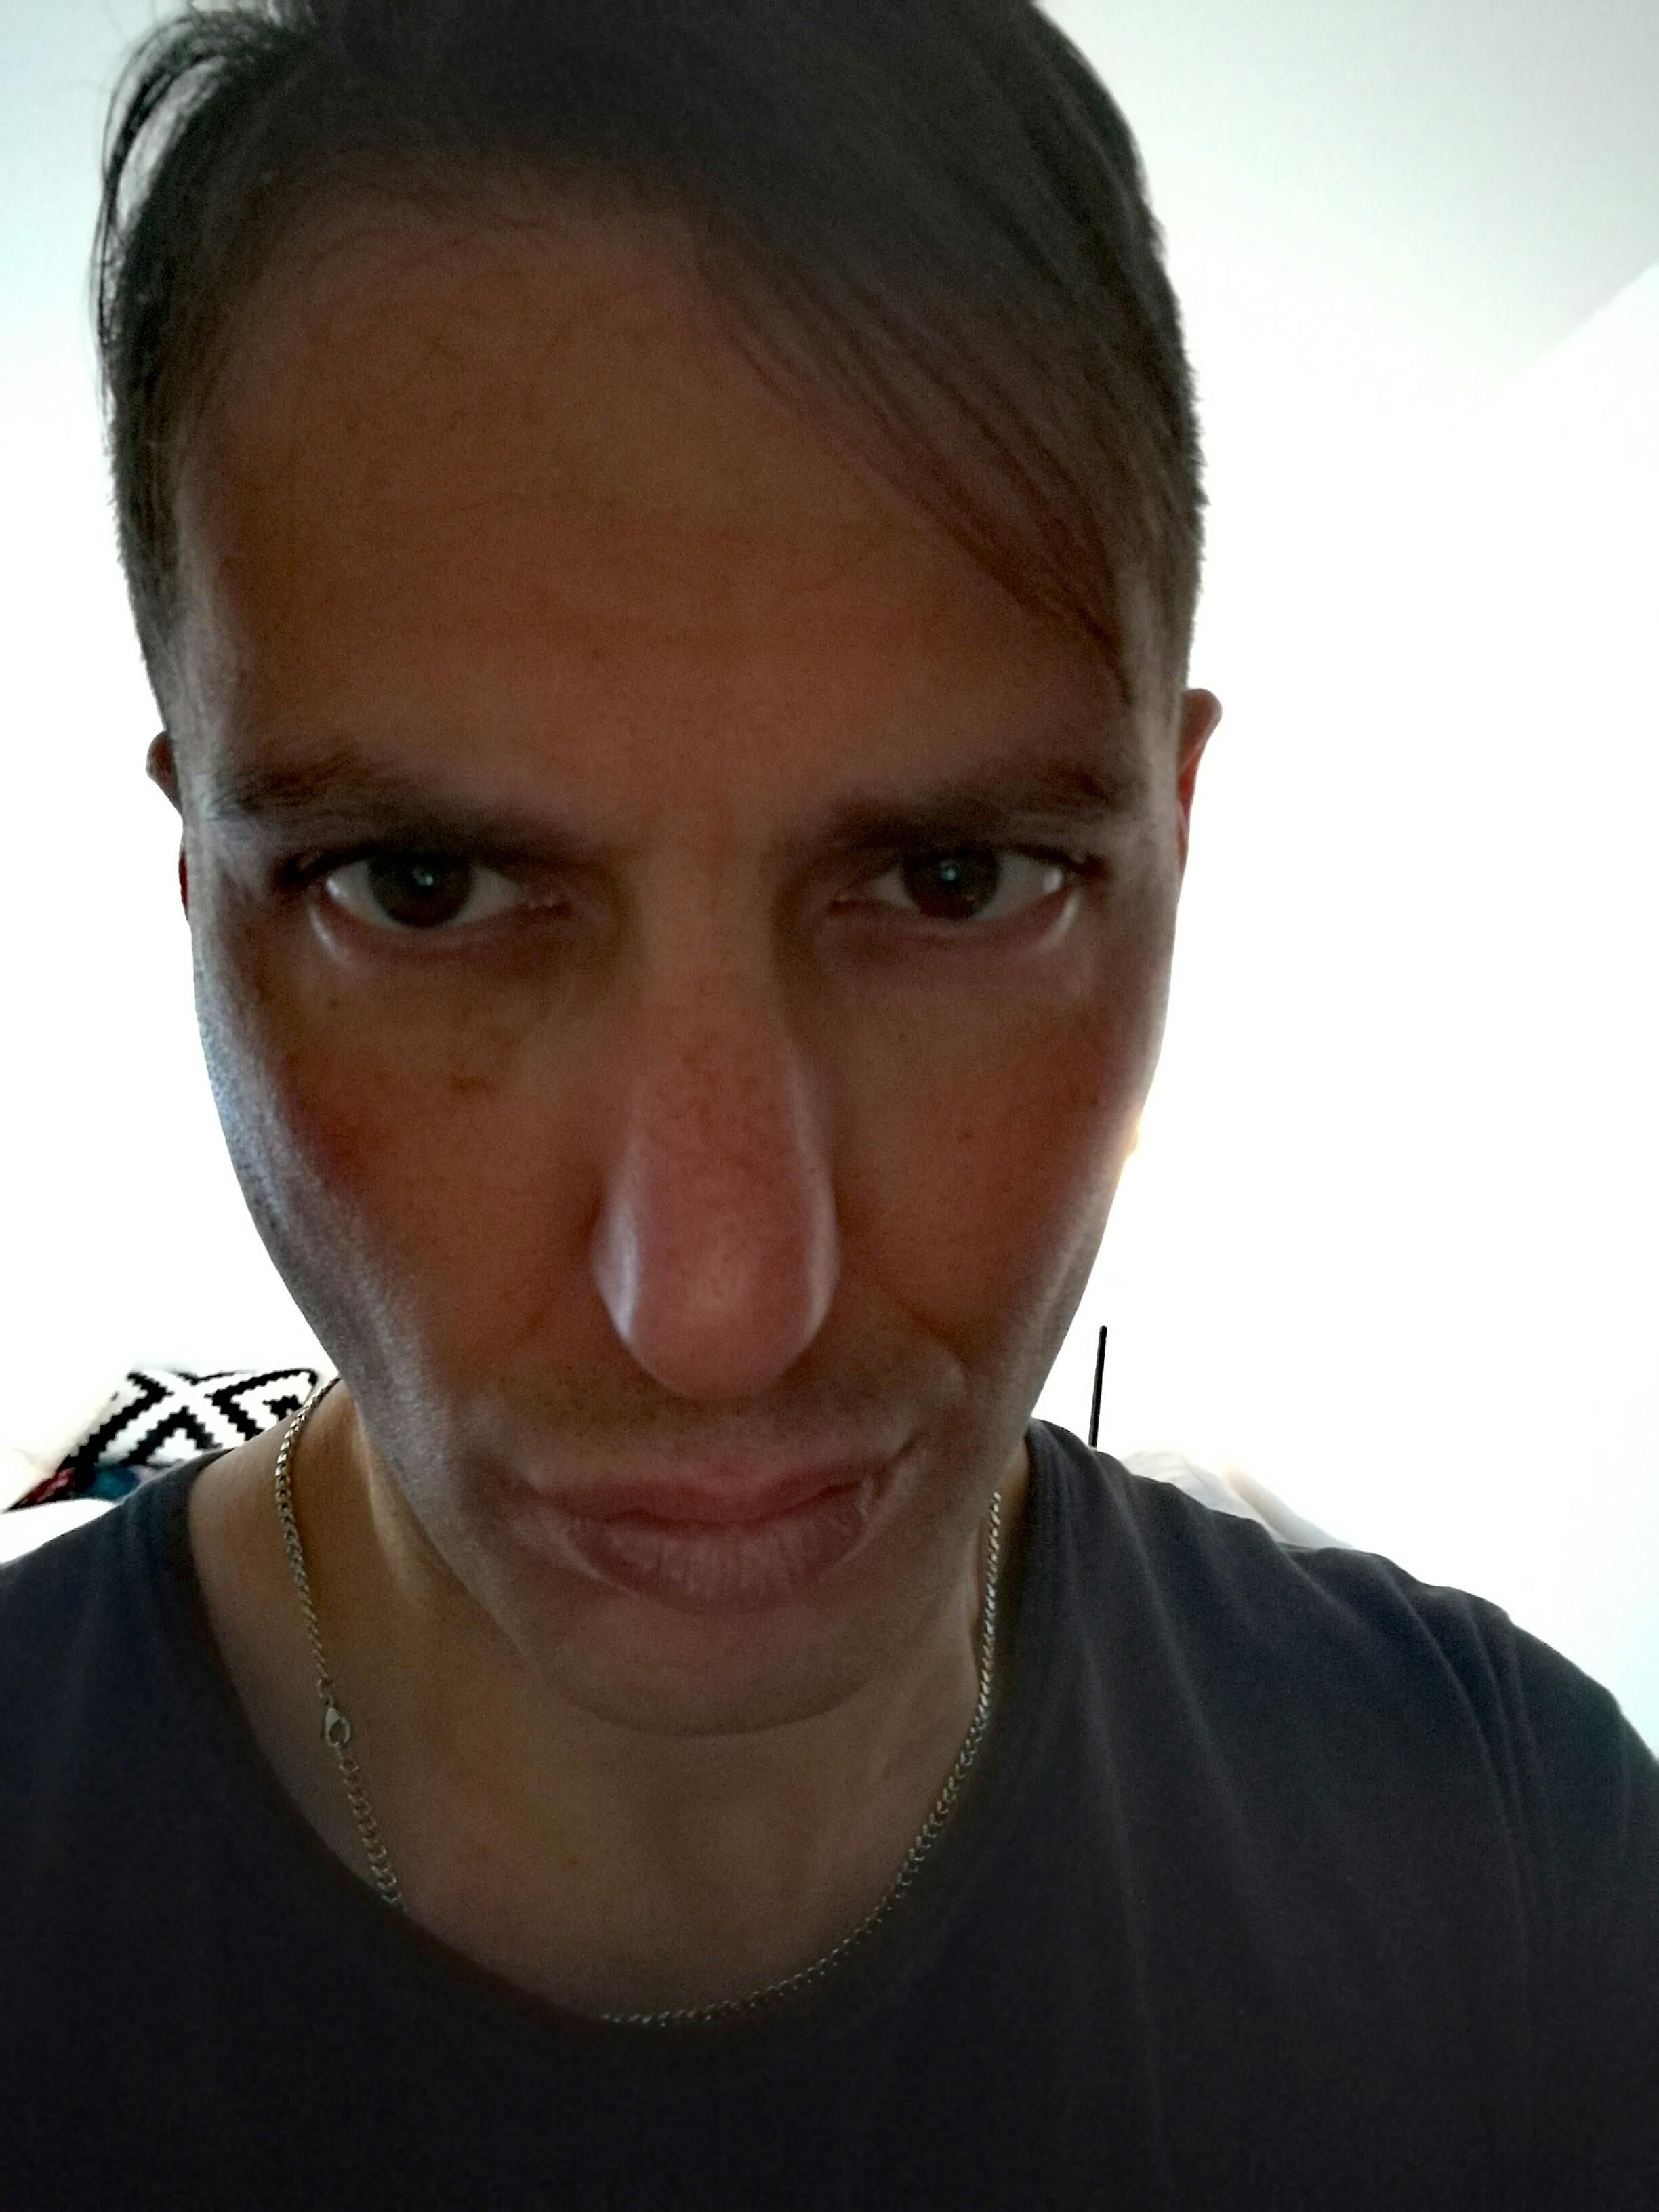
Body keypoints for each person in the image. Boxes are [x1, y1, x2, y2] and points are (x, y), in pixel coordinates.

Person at [1, 1, 1654, 2203]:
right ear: (195, 882)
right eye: (426, 886)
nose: (717, 1311)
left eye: (955, 881)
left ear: (1174, 841)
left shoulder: (1523, 1867)